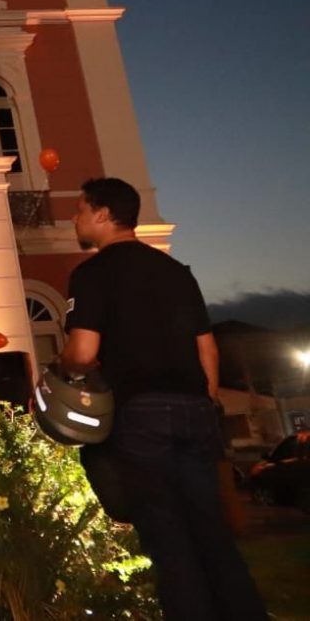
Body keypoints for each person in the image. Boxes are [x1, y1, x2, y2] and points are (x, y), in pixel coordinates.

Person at [60, 177, 266, 621]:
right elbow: (207, 349)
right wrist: (205, 403)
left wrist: (63, 367)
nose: (74, 218)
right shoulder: (176, 271)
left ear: (102, 214)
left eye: (80, 210)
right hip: (194, 410)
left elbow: (83, 353)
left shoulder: (92, 273)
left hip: (140, 415)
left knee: (168, 540)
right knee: (212, 535)